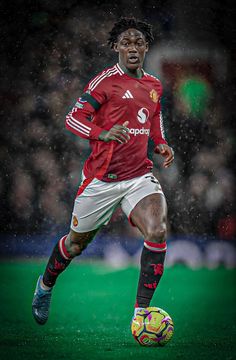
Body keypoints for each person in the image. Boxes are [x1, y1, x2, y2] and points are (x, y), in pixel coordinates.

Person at [32, 17, 174, 325]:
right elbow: (72, 118)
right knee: (74, 245)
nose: (132, 48)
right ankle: (44, 285)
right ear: (116, 48)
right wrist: (102, 133)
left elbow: (153, 116)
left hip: (138, 176)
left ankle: (141, 313)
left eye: (138, 42)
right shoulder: (104, 82)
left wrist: (160, 142)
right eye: (126, 43)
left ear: (146, 47)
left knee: (158, 230)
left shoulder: (154, 85)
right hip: (102, 180)